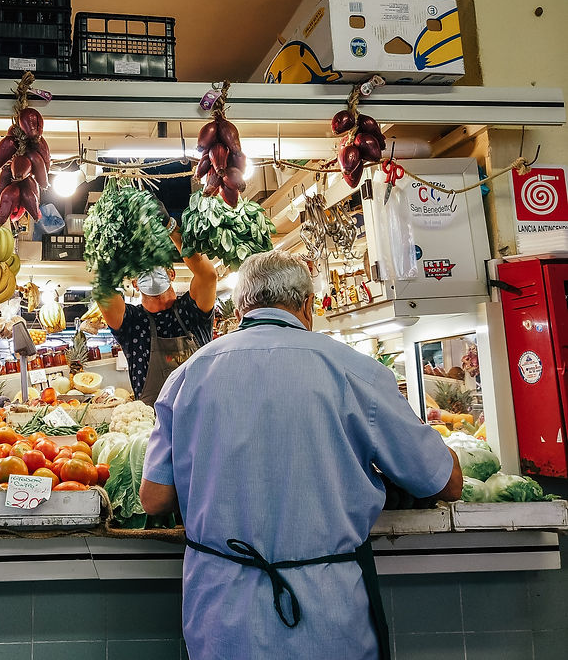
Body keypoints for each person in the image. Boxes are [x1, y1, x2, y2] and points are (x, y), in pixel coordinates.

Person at [140, 251, 462, 660]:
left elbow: (154, 499)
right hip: (327, 616)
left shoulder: (186, 376)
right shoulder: (355, 371)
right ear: (308, 305)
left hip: (219, 616)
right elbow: (444, 483)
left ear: (241, 308)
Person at [98, 203, 218, 405]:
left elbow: (208, 276)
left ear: (171, 274)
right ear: (135, 283)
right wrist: (113, 238)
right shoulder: (131, 323)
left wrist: (171, 227)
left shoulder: (192, 310)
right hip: (154, 427)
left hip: (204, 420)